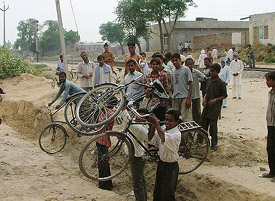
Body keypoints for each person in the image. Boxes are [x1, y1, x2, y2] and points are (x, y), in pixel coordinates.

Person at [148, 109, 181, 201]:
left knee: (167, 194)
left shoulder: (176, 134)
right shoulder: (162, 128)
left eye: (170, 120)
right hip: (161, 164)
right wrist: (153, 126)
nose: (167, 122)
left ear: (176, 122)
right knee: (158, 191)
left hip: (171, 167)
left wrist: (156, 124)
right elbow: (151, 140)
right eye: (166, 119)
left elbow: (163, 137)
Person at [121, 108, 149, 201]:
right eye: (137, 115)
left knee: (137, 183)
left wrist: (124, 109)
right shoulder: (135, 123)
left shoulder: (142, 129)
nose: (138, 117)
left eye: (141, 117)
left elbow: (127, 119)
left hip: (137, 157)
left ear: (145, 119)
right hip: (136, 155)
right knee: (141, 180)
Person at [201, 63, 227, 151]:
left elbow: (224, 95)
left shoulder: (221, 83)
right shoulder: (209, 80)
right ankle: (201, 140)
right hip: (207, 106)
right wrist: (204, 99)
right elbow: (207, 91)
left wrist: (216, 100)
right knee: (203, 124)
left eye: (213, 71)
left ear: (218, 72)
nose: (211, 73)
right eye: (210, 71)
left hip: (215, 107)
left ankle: (214, 144)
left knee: (213, 127)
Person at [259, 71, 275, 181]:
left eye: (268, 80)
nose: (266, 82)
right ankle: (272, 171)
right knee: (270, 149)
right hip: (271, 124)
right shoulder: (270, 93)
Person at [145, 58, 169, 122]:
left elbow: (166, 89)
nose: (155, 66)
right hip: (150, 104)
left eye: (157, 64)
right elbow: (145, 90)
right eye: (153, 64)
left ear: (159, 65)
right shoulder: (148, 76)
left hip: (161, 104)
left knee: (161, 121)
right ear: (151, 65)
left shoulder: (163, 76)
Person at [171, 53, 193, 122]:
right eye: (173, 61)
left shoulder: (186, 69)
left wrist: (189, 98)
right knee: (175, 118)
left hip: (184, 96)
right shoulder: (173, 71)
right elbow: (173, 85)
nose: (175, 62)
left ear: (180, 60)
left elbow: (191, 84)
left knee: (185, 117)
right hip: (175, 97)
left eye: (176, 60)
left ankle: (188, 132)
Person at [185, 58, 205, 124]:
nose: (189, 66)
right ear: (185, 64)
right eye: (188, 64)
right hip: (187, 96)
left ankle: (199, 126)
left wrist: (200, 80)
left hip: (196, 96)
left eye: (191, 64)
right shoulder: (184, 72)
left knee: (197, 113)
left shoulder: (196, 72)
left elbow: (204, 77)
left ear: (193, 64)